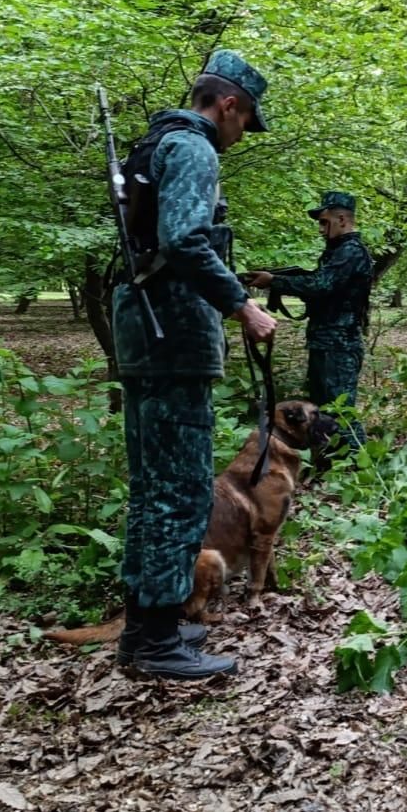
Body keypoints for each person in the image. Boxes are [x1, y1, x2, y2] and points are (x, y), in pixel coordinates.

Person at [110, 49, 278, 679]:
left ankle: (142, 631)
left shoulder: (154, 148)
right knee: (179, 491)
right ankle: (157, 642)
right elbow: (184, 240)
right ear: (228, 105)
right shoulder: (195, 149)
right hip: (174, 339)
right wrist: (242, 307)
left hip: (144, 337)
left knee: (152, 488)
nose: (241, 136)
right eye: (245, 121)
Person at [243, 191, 373, 448]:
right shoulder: (336, 253)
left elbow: (321, 284)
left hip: (340, 345)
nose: (321, 230)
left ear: (343, 220)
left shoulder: (351, 251)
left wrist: (275, 281)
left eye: (325, 222)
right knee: (323, 410)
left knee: (341, 412)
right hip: (325, 341)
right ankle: (331, 466)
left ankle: (362, 469)